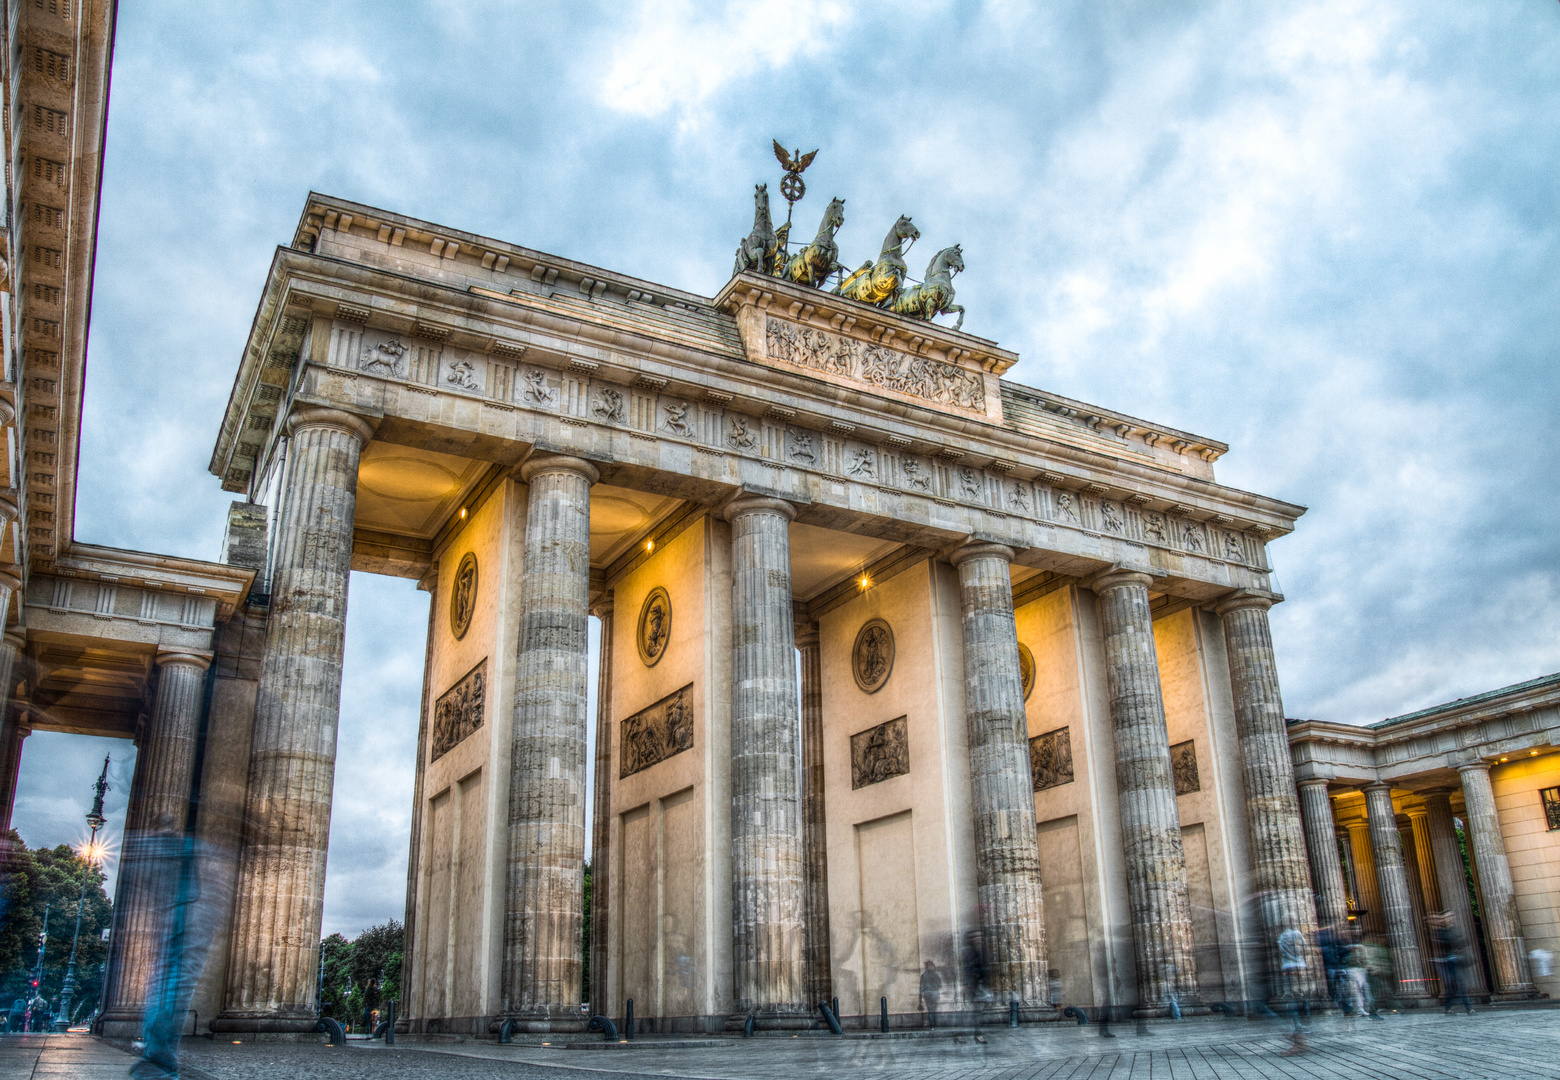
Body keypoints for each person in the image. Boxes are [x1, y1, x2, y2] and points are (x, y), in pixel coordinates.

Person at [1429, 911, 1473, 1015]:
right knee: (1453, 986)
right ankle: (1452, 1007)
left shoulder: (1454, 930)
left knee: (1458, 985)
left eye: (1452, 916)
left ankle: (1467, 1007)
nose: (1451, 919)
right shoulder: (1441, 931)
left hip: (1455, 960)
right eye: (1448, 917)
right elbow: (1443, 944)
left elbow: (1464, 941)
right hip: (1446, 962)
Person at [1276, 927, 1311, 1055]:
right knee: (1297, 1000)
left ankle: (1299, 1038)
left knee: (1292, 1003)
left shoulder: (1283, 936)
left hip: (1290, 969)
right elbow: (1306, 949)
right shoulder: (1297, 933)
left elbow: (1280, 950)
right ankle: (1299, 1036)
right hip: (1299, 967)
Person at [919, 960, 942, 1026]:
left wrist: (920, 999)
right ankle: (935, 1024)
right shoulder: (936, 975)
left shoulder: (923, 976)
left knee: (930, 1010)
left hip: (927, 994)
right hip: (935, 993)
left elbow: (921, 987)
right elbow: (940, 985)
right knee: (935, 1009)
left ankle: (932, 1025)